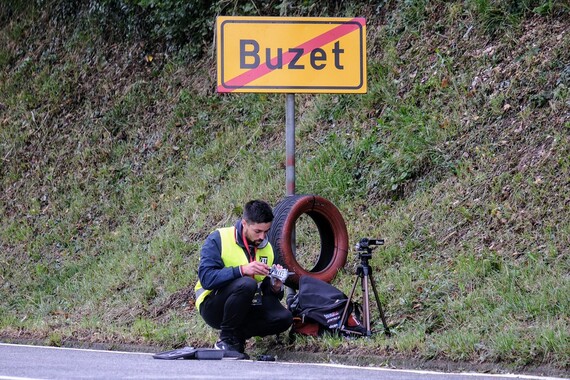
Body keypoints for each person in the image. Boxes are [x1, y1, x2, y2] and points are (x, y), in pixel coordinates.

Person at [194, 200, 293, 359]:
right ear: (244, 223)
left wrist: (275, 286)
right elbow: (206, 278)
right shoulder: (219, 238)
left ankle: (237, 339)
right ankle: (225, 341)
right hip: (213, 306)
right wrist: (241, 270)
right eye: (258, 231)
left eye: (266, 232)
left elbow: (270, 296)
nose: (262, 237)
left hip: (247, 306)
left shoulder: (267, 248)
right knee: (247, 283)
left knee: (284, 318)